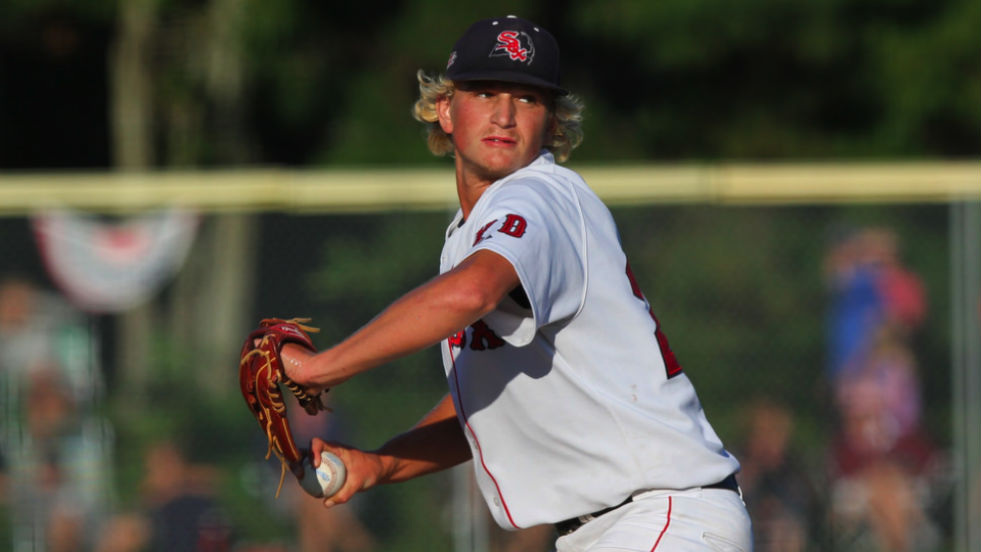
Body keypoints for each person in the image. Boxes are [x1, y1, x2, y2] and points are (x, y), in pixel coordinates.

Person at [278, 15, 752, 551]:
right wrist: (383, 463)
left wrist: (320, 369)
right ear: (445, 108)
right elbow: (484, 409)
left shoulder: (537, 197)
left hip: (661, 514)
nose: (505, 114)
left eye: (528, 98)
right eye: (484, 91)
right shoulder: (470, 235)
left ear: (552, 123)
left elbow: (469, 293)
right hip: (626, 527)